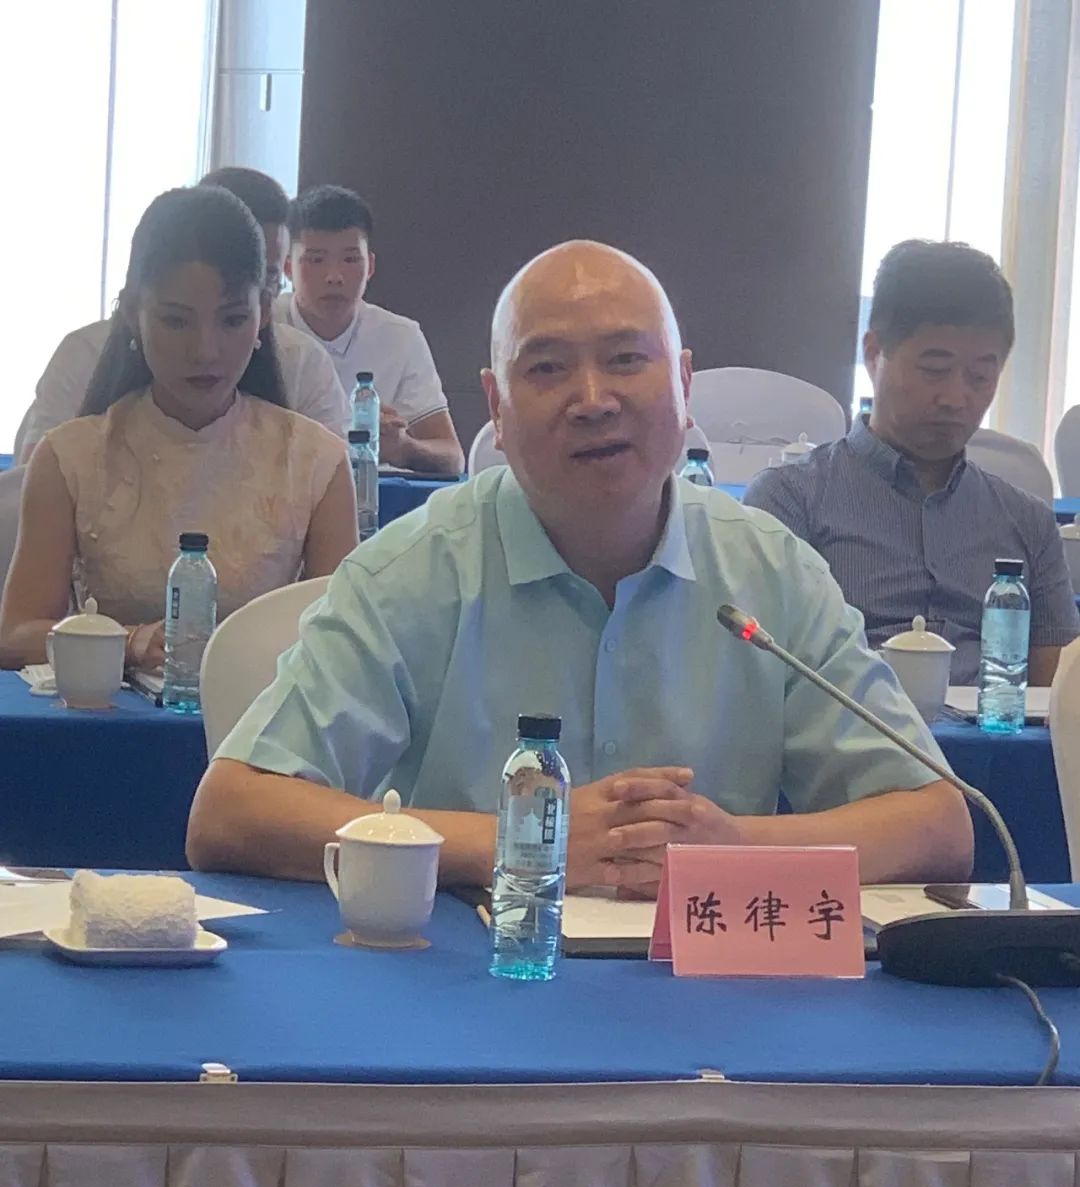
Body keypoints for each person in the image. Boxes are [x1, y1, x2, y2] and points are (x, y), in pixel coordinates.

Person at [187, 240, 972, 890]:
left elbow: (938, 823)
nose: (593, 399)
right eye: (547, 369)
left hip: (709, 996)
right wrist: (519, 841)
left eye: (626, 359)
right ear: (496, 407)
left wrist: (733, 849)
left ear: (684, 385)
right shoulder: (411, 572)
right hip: (471, 989)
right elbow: (230, 812)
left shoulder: (772, 575)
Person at [0, 186, 356, 672]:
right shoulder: (70, 457)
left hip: (264, 714)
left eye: (232, 320)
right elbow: (16, 633)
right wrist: (127, 643)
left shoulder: (317, 462)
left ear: (263, 314)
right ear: (132, 313)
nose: (205, 350)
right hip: (110, 711)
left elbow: (340, 643)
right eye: (176, 321)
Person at [744, 240, 1079, 685]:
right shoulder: (791, 501)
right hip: (844, 725)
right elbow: (759, 675)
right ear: (873, 353)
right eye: (934, 370)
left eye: (980, 376)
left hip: (993, 728)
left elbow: (1057, 695)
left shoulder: (1028, 522)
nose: (956, 398)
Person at [14, 168, 348, 461]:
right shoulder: (84, 355)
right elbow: (29, 480)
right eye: (176, 320)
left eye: (268, 276)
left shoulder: (302, 364)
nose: (205, 350)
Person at [275, 184, 464, 475]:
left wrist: (403, 448)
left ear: (371, 266)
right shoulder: (264, 328)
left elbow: (452, 458)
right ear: (288, 268)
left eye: (351, 259)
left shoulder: (401, 337)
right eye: (316, 260)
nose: (334, 276)